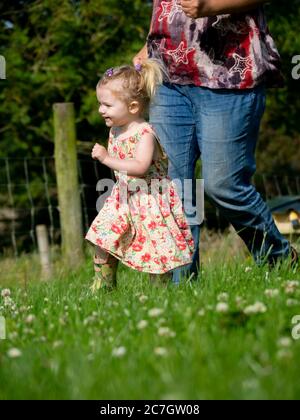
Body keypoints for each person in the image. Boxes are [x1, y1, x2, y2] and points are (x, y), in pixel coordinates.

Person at [133, 0, 299, 284]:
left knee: (224, 185)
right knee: (173, 189)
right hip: (167, 79)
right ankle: (182, 287)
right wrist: (145, 50)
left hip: (230, 77)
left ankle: (280, 260)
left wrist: (210, 5)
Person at [85, 61, 195, 292]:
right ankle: (103, 285)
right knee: (103, 237)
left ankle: (159, 295)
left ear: (133, 106)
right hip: (123, 198)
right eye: (100, 104)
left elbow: (140, 167)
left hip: (151, 200)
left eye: (107, 105)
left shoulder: (145, 133)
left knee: (157, 250)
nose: (100, 110)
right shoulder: (115, 129)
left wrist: (106, 159)